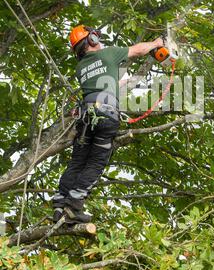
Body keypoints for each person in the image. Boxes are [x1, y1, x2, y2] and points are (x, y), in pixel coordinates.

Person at [52, 25, 164, 224]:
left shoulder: (81, 68)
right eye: (96, 37)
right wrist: (156, 44)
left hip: (86, 117)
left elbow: (104, 82)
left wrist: (130, 81)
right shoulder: (108, 54)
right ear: (92, 40)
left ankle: (60, 205)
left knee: (78, 161)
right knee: (96, 162)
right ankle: (74, 205)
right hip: (106, 116)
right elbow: (137, 50)